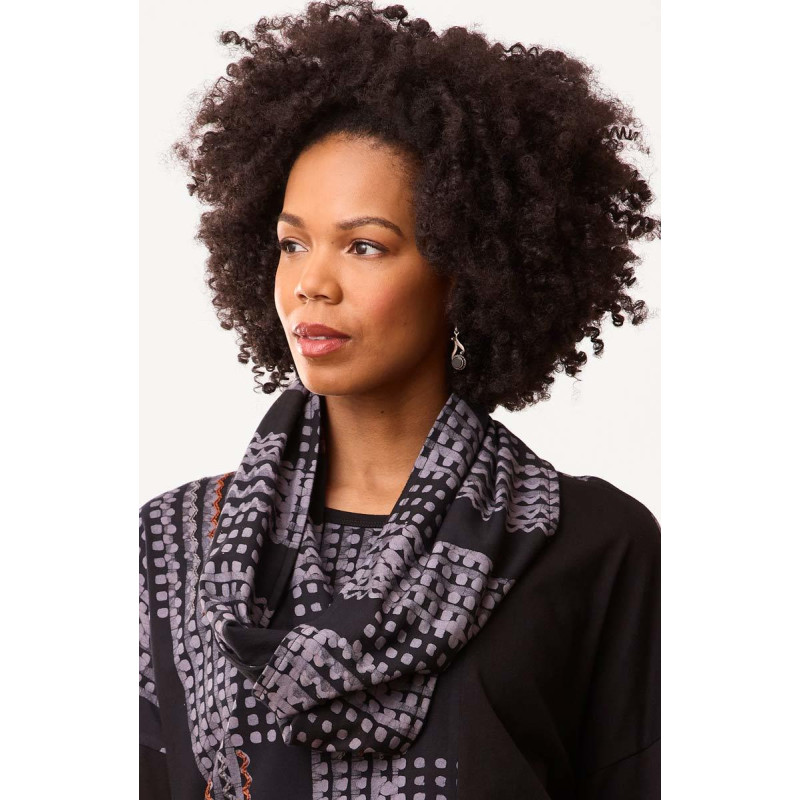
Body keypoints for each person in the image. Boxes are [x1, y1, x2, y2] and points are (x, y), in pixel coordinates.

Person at [140, 2, 661, 798]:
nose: (312, 282)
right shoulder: (174, 545)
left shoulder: (594, 545)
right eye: (292, 243)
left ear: (466, 269)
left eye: (364, 245)